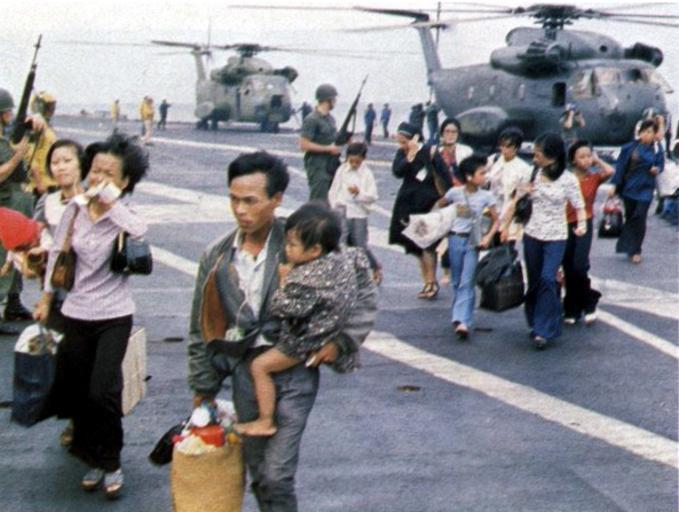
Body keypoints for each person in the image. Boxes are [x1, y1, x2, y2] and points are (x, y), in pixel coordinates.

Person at [187, 151, 377, 511]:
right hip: (246, 372)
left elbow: (364, 290)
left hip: (295, 370)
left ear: (276, 199)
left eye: (250, 201)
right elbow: (201, 325)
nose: (240, 210)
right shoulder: (217, 254)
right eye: (233, 199)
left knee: (277, 475)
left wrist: (342, 342)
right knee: (259, 474)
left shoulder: (306, 237)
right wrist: (203, 387)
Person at [34, 133, 149, 499]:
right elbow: (57, 254)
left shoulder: (124, 214)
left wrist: (111, 201)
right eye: (96, 170)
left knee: (103, 391)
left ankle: (112, 461)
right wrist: (46, 298)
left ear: (125, 181)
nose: (99, 178)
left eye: (110, 174)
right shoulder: (76, 209)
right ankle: (93, 459)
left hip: (114, 315)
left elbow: (141, 231)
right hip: (76, 312)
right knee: (81, 392)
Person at [234, 202, 363, 437]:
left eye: (292, 244)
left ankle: (265, 420)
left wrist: (284, 282)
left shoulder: (305, 280)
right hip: (327, 328)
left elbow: (283, 308)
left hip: (302, 341)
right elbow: (361, 262)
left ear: (314, 250)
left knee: (260, 367)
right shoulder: (341, 259)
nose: (286, 249)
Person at [504, 133, 586, 349]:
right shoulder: (531, 174)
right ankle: (534, 320)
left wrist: (582, 225)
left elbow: (579, 205)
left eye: (539, 154)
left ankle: (544, 329)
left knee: (548, 278)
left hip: (556, 236)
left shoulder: (568, 179)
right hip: (532, 233)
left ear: (553, 156)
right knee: (534, 281)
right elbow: (515, 202)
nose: (535, 158)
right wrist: (506, 225)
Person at [437, 155, 499, 339]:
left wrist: (488, 237)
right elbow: (440, 204)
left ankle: (461, 320)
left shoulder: (486, 196)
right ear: (469, 176)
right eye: (481, 173)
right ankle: (463, 315)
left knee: (467, 280)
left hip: (474, 241)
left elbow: (496, 220)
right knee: (457, 280)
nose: (485, 176)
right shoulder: (454, 193)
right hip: (455, 238)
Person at [389, 121, 447, 300]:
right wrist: (409, 155)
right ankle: (427, 281)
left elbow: (444, 175)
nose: (402, 145)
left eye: (404, 141)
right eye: (400, 142)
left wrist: (443, 199)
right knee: (416, 246)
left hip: (427, 203)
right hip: (408, 203)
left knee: (427, 244)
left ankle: (431, 282)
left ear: (415, 138)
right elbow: (397, 171)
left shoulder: (430, 152)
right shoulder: (403, 153)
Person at [562, 140, 614, 325]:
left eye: (588, 156)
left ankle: (589, 303)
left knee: (579, 265)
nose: (586, 160)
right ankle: (571, 308)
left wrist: (597, 160)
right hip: (565, 224)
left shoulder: (593, 178)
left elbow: (610, 171)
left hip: (585, 223)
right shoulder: (567, 178)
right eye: (581, 157)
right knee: (568, 267)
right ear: (573, 160)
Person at [0, 87, 37, 329]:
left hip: (15, 203)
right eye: (8, 111)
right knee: (3, 258)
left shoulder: (6, 137)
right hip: (4, 204)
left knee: (17, 253)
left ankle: (13, 302)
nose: (11, 115)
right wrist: (18, 155)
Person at [611, 119, 664, 264]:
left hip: (646, 188)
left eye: (650, 132)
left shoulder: (657, 149)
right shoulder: (629, 148)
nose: (646, 135)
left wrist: (657, 169)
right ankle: (629, 246)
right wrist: (614, 185)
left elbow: (661, 164)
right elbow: (620, 168)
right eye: (644, 131)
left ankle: (636, 250)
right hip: (629, 188)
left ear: (654, 134)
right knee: (630, 217)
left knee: (640, 217)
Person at [328, 142, 382, 283]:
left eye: (357, 162)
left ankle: (374, 266)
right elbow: (334, 190)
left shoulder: (366, 174)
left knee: (360, 245)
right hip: (342, 209)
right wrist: (334, 206)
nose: (353, 164)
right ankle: (342, 273)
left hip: (358, 212)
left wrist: (359, 194)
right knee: (341, 243)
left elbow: (373, 196)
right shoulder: (342, 170)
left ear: (363, 159)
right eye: (351, 161)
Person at [431, 118, 473, 283]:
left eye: (454, 131)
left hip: (463, 198)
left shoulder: (466, 151)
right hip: (444, 198)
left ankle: (460, 269)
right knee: (445, 234)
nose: (450, 135)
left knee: (461, 234)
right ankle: (446, 270)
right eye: (447, 131)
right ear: (442, 133)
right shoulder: (436, 152)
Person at [488, 128, 532, 245]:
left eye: (508, 146)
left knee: (505, 248)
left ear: (516, 148)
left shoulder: (524, 168)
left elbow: (518, 198)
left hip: (510, 213)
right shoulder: (494, 159)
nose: (504, 149)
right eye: (502, 145)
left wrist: (507, 225)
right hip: (492, 212)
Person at [299, 83, 342, 202]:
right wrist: (328, 149)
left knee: (332, 199)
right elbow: (304, 145)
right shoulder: (312, 119)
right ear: (328, 100)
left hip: (331, 163)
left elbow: (332, 138)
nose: (335, 102)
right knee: (318, 199)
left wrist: (345, 138)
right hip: (317, 165)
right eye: (334, 99)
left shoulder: (330, 119)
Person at [26, 91, 58, 198]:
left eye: (52, 107)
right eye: (49, 107)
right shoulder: (35, 125)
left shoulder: (47, 127)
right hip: (39, 185)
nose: (52, 111)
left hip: (51, 181)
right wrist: (39, 181)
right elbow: (29, 155)